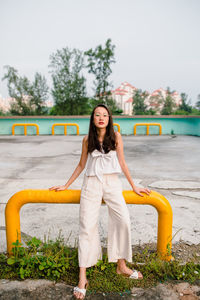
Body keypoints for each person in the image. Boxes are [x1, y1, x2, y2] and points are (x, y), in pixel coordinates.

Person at [49, 104, 151, 299]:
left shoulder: (116, 136)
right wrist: (66, 185)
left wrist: (134, 186)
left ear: (109, 118)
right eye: (97, 115)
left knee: (123, 221)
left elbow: (122, 163)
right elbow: (81, 165)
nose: (101, 118)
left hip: (112, 183)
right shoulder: (87, 139)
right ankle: (82, 277)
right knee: (86, 226)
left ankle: (121, 266)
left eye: (105, 115)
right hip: (91, 184)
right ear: (93, 119)